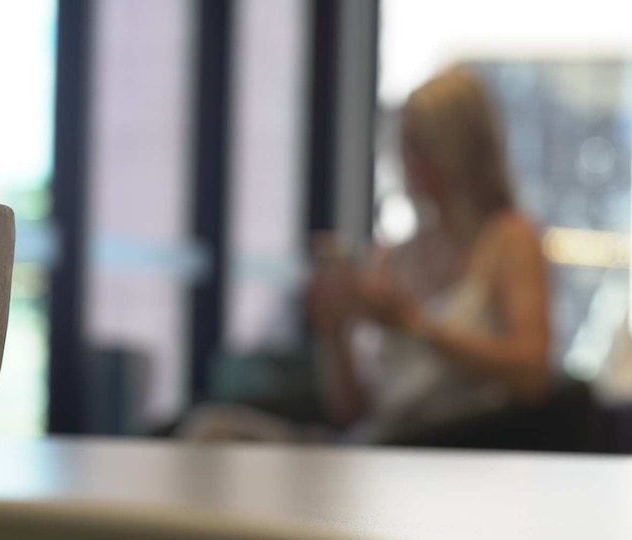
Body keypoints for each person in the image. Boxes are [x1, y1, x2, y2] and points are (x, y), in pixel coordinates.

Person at [181, 66, 551, 443]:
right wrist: (333, 331)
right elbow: (351, 412)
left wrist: (415, 324)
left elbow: (531, 373)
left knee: (216, 436)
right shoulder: (397, 255)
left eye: (423, 145)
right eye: (405, 145)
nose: (410, 162)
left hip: (452, 450)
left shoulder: (508, 239)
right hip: (377, 446)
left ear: (461, 146)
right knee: (211, 431)